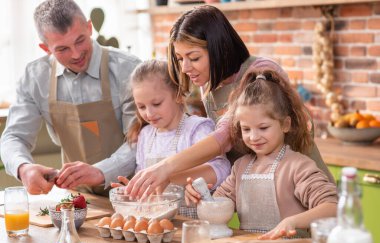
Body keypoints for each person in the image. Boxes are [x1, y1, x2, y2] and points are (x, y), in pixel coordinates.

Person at [125, 5, 334, 198]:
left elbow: (225, 136)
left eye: (194, 57)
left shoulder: (260, 72)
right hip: (259, 188)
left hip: (302, 187)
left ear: (219, 48)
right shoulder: (209, 85)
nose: (185, 68)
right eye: (180, 59)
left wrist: (166, 168)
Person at [0, 0, 141, 196]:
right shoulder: (35, 76)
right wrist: (23, 168)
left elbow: (142, 141)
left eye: (80, 40)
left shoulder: (129, 69)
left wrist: (101, 171)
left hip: (133, 193)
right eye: (62, 49)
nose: (76, 54)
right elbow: (14, 136)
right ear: (45, 48)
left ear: (89, 27)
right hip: (77, 197)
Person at [185, 69, 338, 239]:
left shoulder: (298, 166)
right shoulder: (240, 168)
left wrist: (293, 222)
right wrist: (201, 198)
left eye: (263, 128)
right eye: (246, 129)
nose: (254, 136)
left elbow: (332, 207)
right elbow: (219, 205)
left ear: (285, 124)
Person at [115, 59, 230, 218]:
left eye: (156, 104)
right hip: (158, 227)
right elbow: (146, 182)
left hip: (193, 226)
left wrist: (171, 178)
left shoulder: (196, 129)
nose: (149, 114)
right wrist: (133, 191)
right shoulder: (146, 135)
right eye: (141, 106)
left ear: (177, 95)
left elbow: (223, 169)